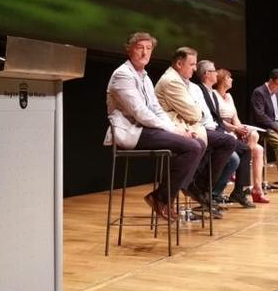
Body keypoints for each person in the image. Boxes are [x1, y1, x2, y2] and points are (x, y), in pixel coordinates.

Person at [106, 33, 205, 222]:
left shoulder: (144, 76)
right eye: (140, 47)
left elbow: (156, 109)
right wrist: (173, 130)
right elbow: (140, 112)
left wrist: (177, 129)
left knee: (197, 143)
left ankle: (163, 197)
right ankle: (161, 198)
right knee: (191, 146)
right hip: (130, 132)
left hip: (147, 129)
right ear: (129, 49)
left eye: (149, 48)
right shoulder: (122, 75)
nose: (145, 52)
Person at [155, 48, 236, 217]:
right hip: (174, 128)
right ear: (179, 64)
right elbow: (195, 113)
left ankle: (197, 188)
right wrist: (195, 114)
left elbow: (195, 112)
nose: (194, 69)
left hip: (189, 127)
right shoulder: (172, 81)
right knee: (213, 143)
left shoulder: (182, 82)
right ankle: (194, 188)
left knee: (221, 143)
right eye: (192, 65)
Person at [193, 60, 255, 208]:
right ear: (207, 74)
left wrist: (236, 130)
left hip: (219, 131)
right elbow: (206, 118)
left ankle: (238, 191)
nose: (216, 73)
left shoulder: (211, 94)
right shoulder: (200, 91)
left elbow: (218, 119)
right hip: (208, 132)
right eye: (214, 71)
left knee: (246, 149)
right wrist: (231, 130)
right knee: (234, 158)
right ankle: (210, 193)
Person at [213, 69, 269, 203]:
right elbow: (218, 121)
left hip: (233, 131)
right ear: (222, 79)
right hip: (222, 131)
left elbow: (235, 118)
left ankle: (256, 189)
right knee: (249, 149)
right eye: (229, 77)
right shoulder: (214, 95)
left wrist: (242, 129)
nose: (232, 80)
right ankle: (242, 180)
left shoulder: (229, 96)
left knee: (257, 144)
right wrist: (235, 129)